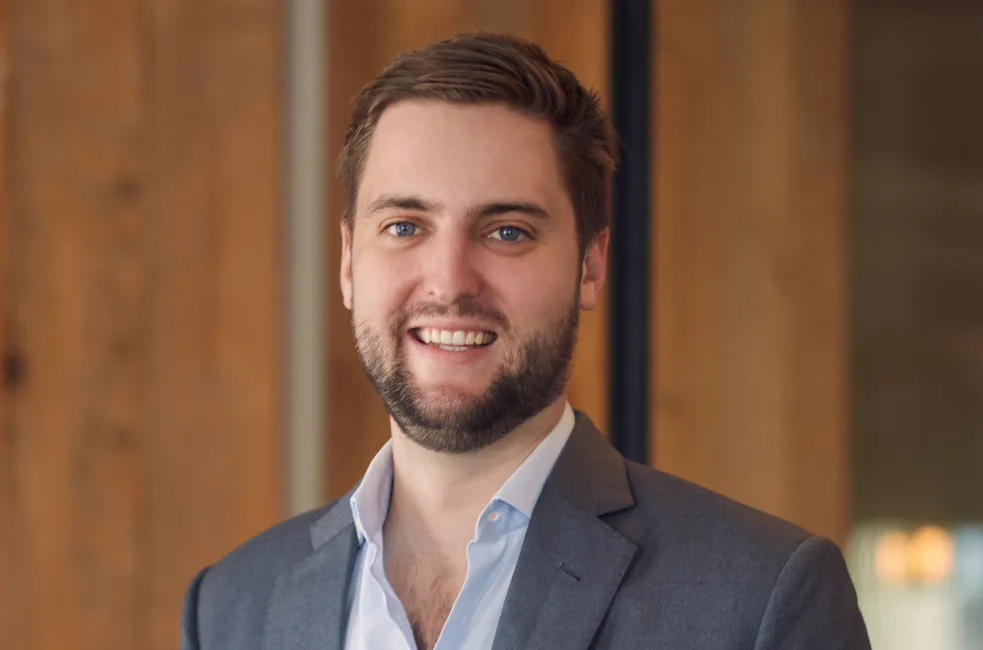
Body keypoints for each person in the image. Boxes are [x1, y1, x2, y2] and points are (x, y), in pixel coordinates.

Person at [180, 32, 871, 650]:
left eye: (507, 231)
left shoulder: (759, 601)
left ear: (589, 266)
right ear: (348, 263)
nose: (450, 281)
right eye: (405, 226)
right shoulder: (231, 608)